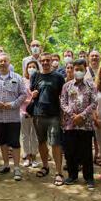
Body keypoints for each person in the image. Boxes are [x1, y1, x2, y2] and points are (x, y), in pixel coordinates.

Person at [0, 53, 27, 180]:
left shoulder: (17, 78)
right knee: (2, 141)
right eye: (0, 61)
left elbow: (23, 94)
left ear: (9, 62)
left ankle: (17, 168)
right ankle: (6, 165)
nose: (2, 63)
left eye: (5, 61)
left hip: (13, 117)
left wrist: (13, 104)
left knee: (14, 143)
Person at [60, 59, 98, 190]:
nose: (78, 72)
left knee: (86, 152)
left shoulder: (91, 85)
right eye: (76, 69)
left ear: (85, 69)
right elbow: (63, 102)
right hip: (70, 124)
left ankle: (89, 178)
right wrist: (73, 115)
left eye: (81, 69)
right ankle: (72, 175)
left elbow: (94, 103)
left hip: (85, 124)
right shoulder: (67, 86)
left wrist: (82, 115)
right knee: (70, 151)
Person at [30, 52, 66, 184]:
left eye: (47, 60)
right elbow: (32, 92)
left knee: (56, 143)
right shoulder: (35, 76)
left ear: (51, 61)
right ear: (39, 61)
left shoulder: (58, 77)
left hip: (54, 115)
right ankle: (45, 166)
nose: (45, 63)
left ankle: (59, 172)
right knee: (41, 141)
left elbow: (63, 97)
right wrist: (33, 94)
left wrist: (63, 115)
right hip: (38, 114)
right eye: (42, 60)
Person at [21, 60, 39, 168]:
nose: (31, 68)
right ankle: (27, 156)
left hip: (36, 112)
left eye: (34, 67)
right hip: (23, 111)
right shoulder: (22, 81)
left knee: (34, 135)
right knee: (25, 135)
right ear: (26, 69)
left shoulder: (40, 80)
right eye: (29, 67)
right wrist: (29, 100)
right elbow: (19, 96)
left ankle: (34, 157)